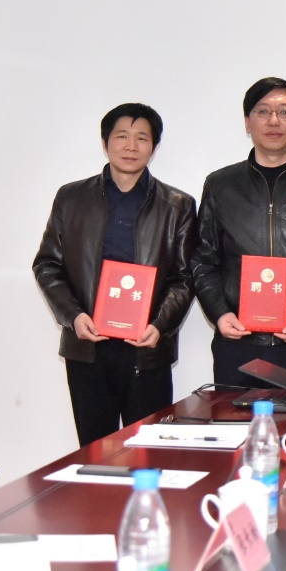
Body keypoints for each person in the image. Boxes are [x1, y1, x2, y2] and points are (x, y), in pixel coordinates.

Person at [33, 103, 197, 447]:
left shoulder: (177, 205)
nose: (131, 146)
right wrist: (73, 316)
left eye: (142, 138)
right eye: (122, 136)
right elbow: (47, 265)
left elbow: (184, 277)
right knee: (94, 451)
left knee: (148, 452)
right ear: (105, 142)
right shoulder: (71, 198)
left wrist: (160, 325)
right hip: (88, 347)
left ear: (154, 147)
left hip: (146, 348)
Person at [192, 77, 286, 387]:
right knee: (232, 418)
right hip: (238, 343)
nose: (274, 121)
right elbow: (203, 260)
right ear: (248, 122)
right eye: (263, 111)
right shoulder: (220, 186)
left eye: (285, 112)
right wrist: (220, 313)